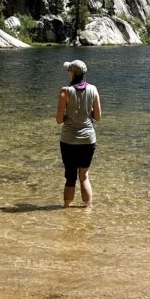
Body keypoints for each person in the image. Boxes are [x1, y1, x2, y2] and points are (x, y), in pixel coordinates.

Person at [56, 59, 102, 207]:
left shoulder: (65, 91)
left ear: (72, 73)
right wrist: (85, 112)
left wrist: (68, 116)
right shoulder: (93, 89)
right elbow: (97, 117)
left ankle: (66, 210)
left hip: (69, 140)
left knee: (70, 177)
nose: (68, 72)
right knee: (84, 176)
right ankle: (87, 210)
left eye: (68, 70)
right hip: (88, 140)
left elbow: (58, 119)